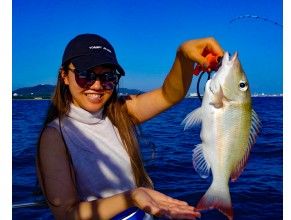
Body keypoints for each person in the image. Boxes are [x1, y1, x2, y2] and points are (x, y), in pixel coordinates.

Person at [36, 33, 224, 220]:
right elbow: (67, 214)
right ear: (64, 76)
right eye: (85, 74)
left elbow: (169, 95)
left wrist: (182, 56)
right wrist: (131, 198)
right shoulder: (55, 136)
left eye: (108, 76)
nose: (97, 85)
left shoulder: (119, 112)